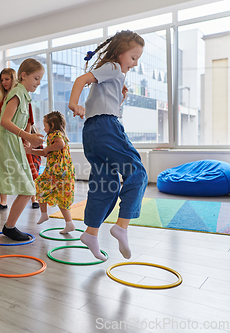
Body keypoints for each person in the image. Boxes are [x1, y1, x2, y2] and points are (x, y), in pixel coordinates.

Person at [68, 30, 148, 260]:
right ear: (120, 52)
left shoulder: (113, 73)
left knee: (106, 183)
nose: (134, 63)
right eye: (133, 57)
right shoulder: (112, 67)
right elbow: (81, 80)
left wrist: (120, 95)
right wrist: (74, 105)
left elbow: (101, 98)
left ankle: (91, 233)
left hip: (92, 132)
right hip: (106, 126)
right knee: (138, 172)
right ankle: (121, 226)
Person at [0, 58, 45, 241]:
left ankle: (10, 226)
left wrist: (26, 140)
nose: (38, 83)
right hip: (5, 145)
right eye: (36, 78)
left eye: (40, 79)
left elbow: (23, 122)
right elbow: (4, 121)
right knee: (28, 189)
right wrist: (27, 136)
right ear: (24, 75)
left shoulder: (24, 95)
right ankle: (9, 227)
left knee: (29, 187)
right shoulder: (17, 93)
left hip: (13, 144)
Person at [0, 68, 38, 212]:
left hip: (20, 138)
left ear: (14, 78)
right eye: (2, 80)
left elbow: (29, 121)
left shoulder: (22, 96)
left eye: (7, 79)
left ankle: (33, 198)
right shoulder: (0, 101)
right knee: (3, 170)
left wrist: (27, 139)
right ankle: (3, 202)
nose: (4, 82)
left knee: (27, 169)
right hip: (5, 139)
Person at [27, 112, 75, 233]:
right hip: (55, 171)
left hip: (60, 171)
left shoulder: (56, 134)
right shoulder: (53, 136)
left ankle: (64, 221)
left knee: (58, 195)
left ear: (52, 125)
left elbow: (60, 144)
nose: (43, 128)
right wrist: (31, 151)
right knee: (42, 186)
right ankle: (50, 216)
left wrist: (47, 148)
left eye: (45, 125)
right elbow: (44, 153)